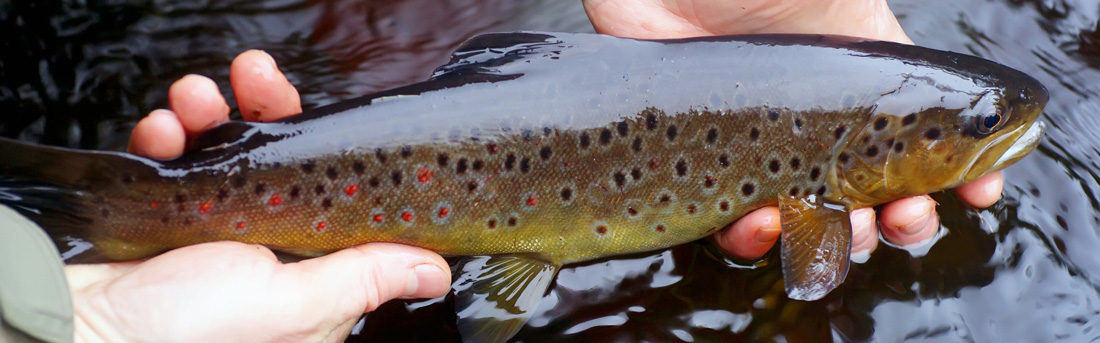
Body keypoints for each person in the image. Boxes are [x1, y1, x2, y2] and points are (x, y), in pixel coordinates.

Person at [59, 1, 1006, 342]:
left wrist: (84, 322)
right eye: (979, 121)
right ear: (869, 148)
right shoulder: (820, 200)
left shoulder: (823, 157)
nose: (1003, 127)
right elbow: (814, 268)